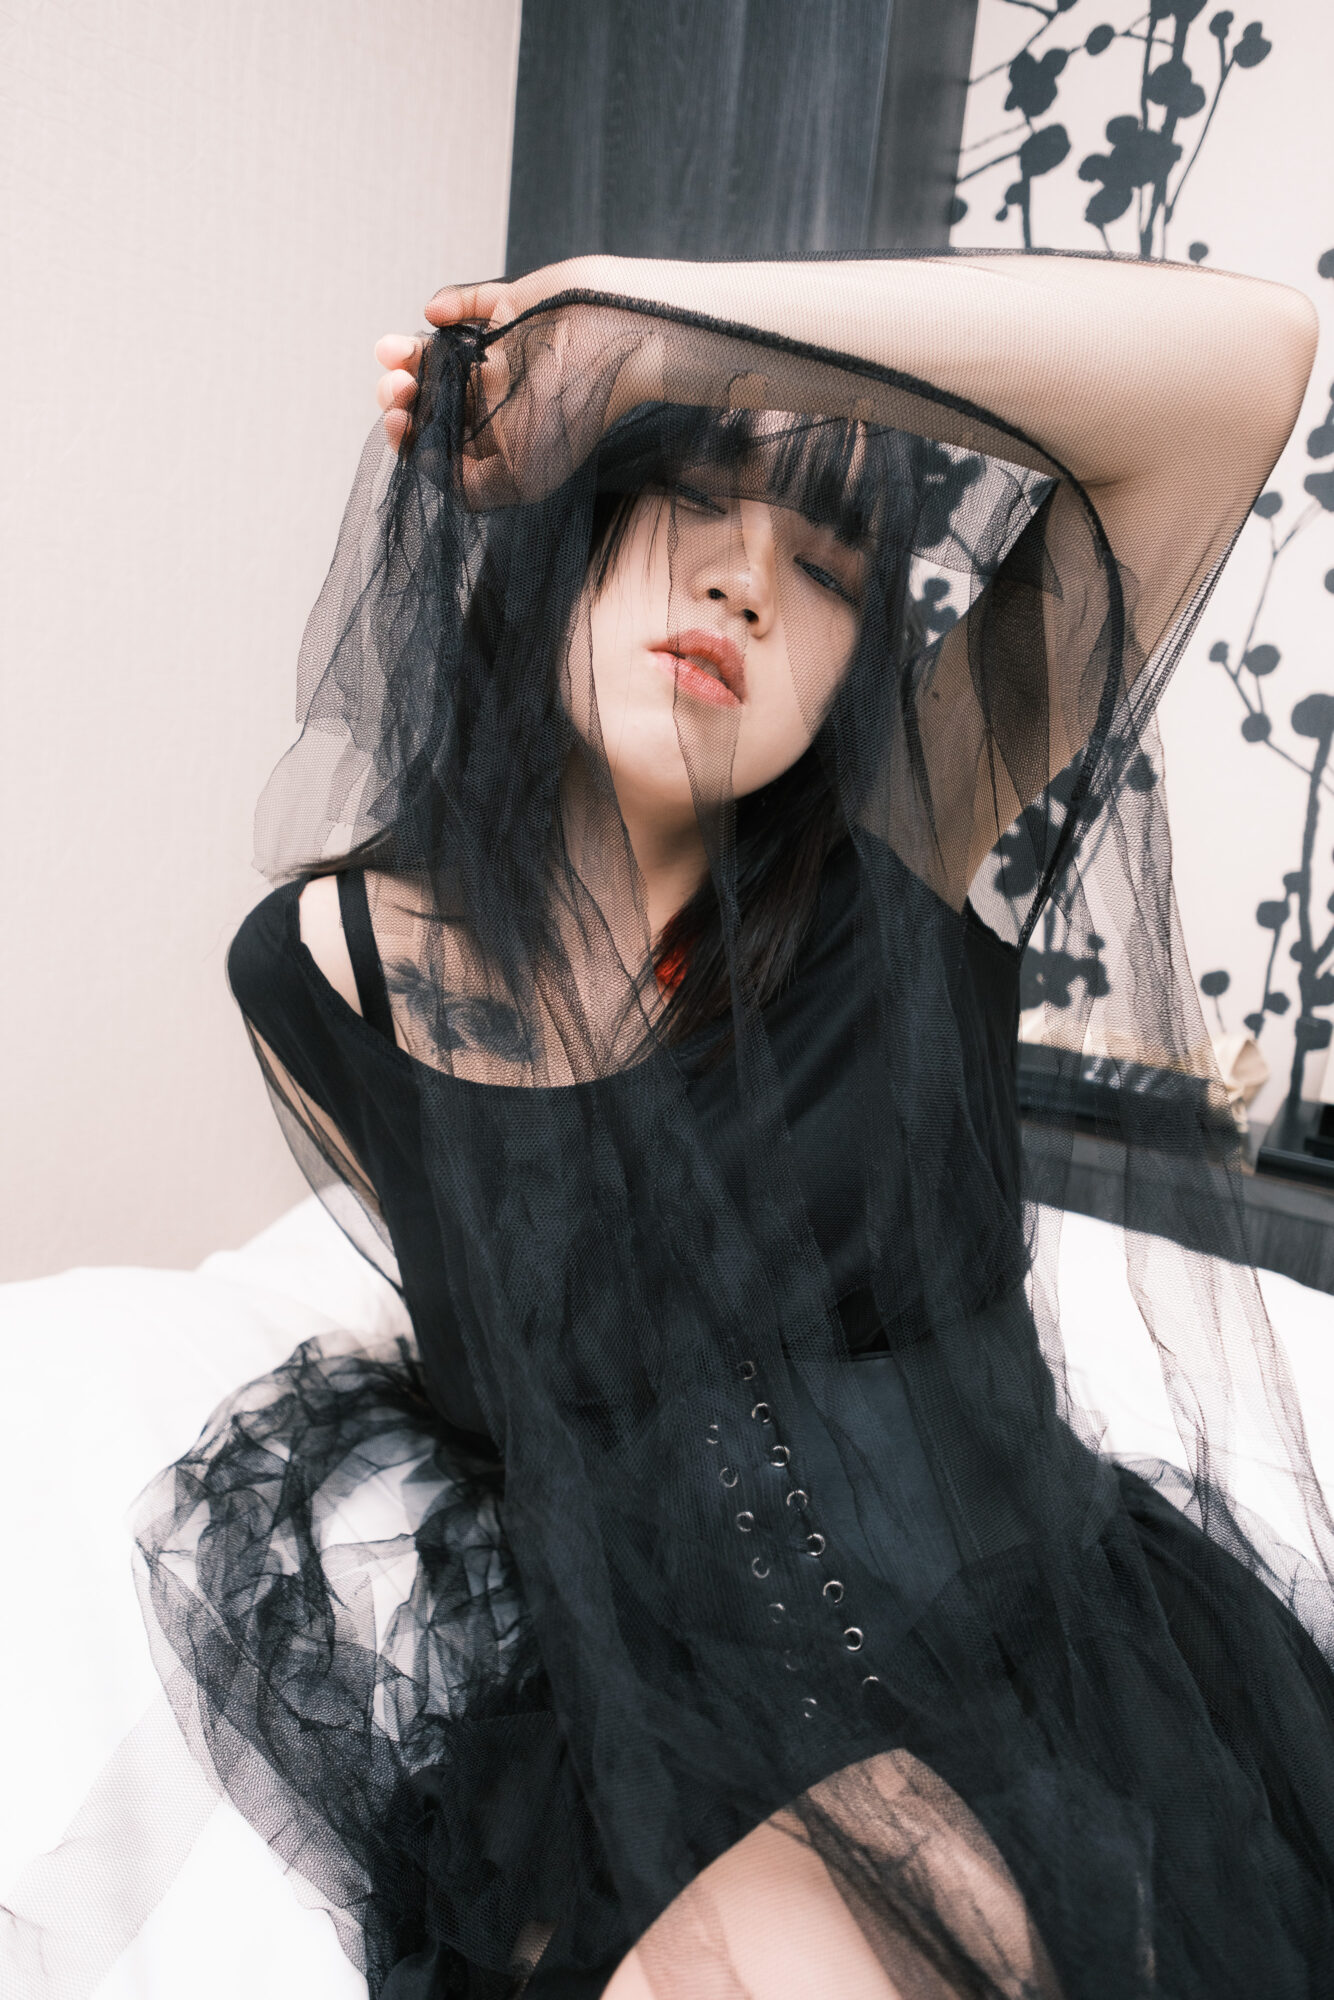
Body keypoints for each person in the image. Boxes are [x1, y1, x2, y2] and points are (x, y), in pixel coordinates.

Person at [134, 251, 1334, 1998]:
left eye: (829, 564)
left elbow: (1241, 363)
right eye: (683, 495)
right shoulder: (322, 974)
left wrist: (636, 332)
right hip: (639, 1737)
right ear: (551, 531)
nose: (744, 581)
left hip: (1032, 1689)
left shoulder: (907, 845)